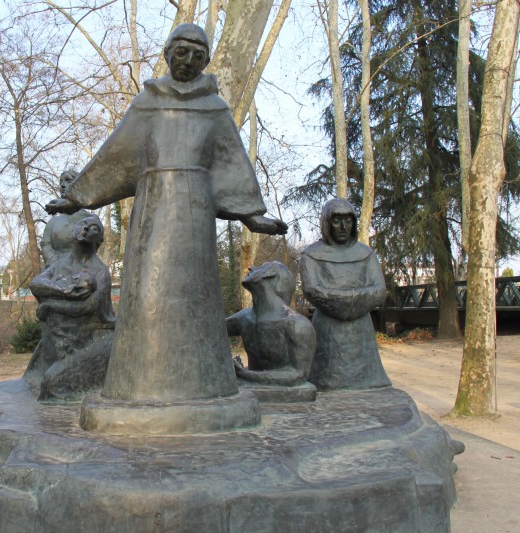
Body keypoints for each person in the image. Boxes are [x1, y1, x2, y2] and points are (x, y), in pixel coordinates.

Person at [47, 23, 286, 407]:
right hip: (152, 212)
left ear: (206, 60)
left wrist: (252, 217)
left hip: (196, 217)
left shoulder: (215, 108)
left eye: (197, 55)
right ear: (168, 53)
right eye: (181, 52)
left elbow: (232, 167)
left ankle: (204, 383)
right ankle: (138, 382)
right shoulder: (148, 102)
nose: (188, 61)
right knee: (149, 294)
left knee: (196, 294)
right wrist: (77, 198)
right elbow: (115, 156)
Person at [301, 198, 391, 390]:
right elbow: (312, 290)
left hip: (361, 332)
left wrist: (342, 299)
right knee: (326, 388)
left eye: (348, 220)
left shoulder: (366, 253)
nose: (343, 226)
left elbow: (379, 291)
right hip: (327, 330)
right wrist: (355, 297)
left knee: (368, 390)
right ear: (327, 222)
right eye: (336, 220)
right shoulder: (311, 254)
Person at [26, 216, 116, 401]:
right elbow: (36, 283)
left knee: (53, 383)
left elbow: (88, 307)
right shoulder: (60, 264)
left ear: (98, 241)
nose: (85, 229)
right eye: (83, 224)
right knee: (46, 380)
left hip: (89, 342)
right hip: (58, 341)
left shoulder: (100, 272)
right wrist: (64, 290)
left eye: (94, 228)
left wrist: (51, 304)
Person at [40, 170, 93, 266]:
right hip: (55, 270)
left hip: (83, 270)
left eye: (68, 180)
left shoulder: (91, 220)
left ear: (79, 184)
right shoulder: (53, 222)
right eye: (61, 182)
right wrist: (54, 262)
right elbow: (45, 244)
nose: (63, 185)